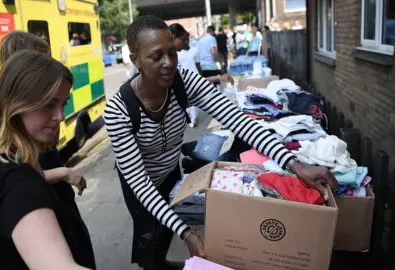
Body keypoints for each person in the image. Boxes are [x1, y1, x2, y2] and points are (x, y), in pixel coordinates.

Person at [104, 15, 339, 270]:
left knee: (165, 232)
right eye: (157, 56)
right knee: (149, 237)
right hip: (141, 184)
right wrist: (187, 233)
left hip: (170, 172)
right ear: (135, 60)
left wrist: (296, 165)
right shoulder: (119, 111)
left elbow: (239, 121)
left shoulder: (182, 81)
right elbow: (139, 183)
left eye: (172, 53)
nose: (169, 63)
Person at [0, 51, 96, 269]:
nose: (60, 116)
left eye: (63, 104)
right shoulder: (14, 181)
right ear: (15, 104)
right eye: (48, 104)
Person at [169, 23, 234, 128]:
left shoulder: (178, 58)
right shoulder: (169, 61)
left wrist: (219, 77)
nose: (186, 44)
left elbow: (191, 79)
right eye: (184, 40)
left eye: (187, 41)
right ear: (173, 37)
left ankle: (192, 119)